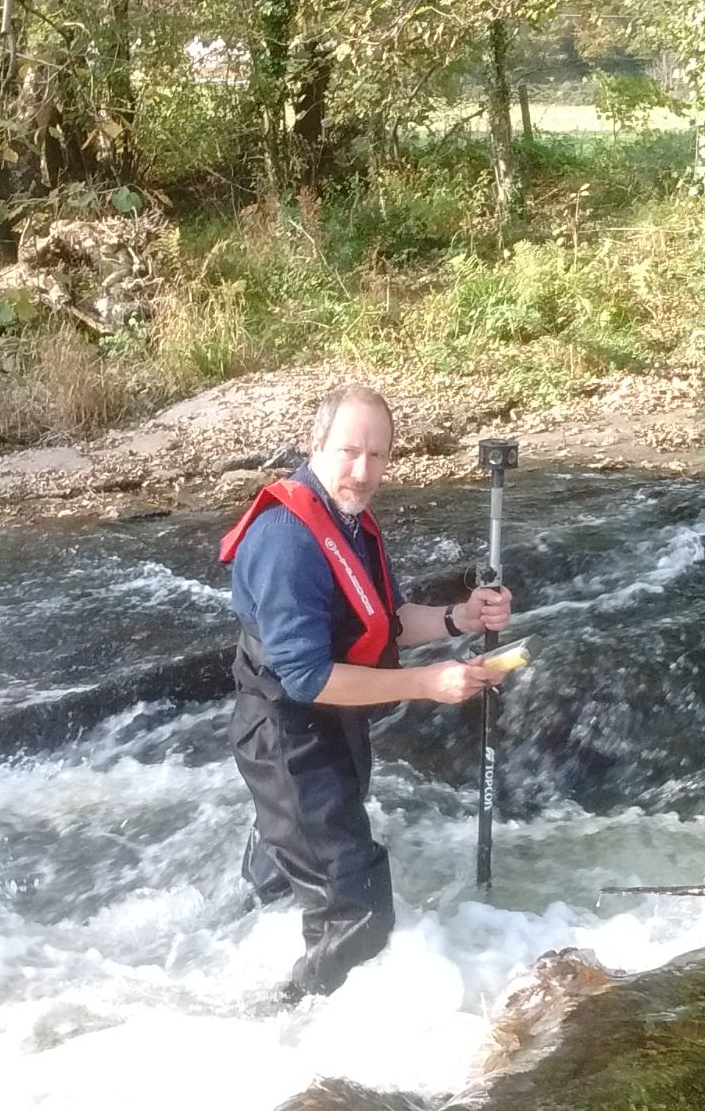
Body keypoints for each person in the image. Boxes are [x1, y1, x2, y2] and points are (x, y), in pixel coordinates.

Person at [219, 383, 513, 998]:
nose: (364, 470)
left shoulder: (349, 521)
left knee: (286, 877)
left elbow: (388, 619)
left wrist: (461, 618)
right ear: (315, 444)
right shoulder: (288, 539)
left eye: (378, 455)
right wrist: (429, 684)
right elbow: (305, 676)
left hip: (330, 725)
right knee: (358, 913)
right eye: (350, 451)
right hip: (287, 735)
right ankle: (291, 1031)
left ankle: (243, 953)